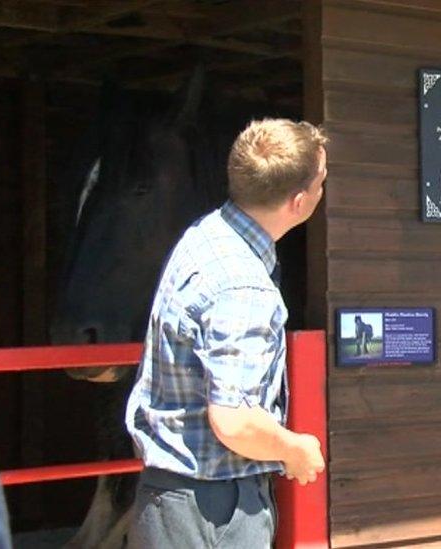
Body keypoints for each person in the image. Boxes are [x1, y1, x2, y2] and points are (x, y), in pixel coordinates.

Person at [124, 119, 329, 548]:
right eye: (320, 182)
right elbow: (234, 421)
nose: (321, 191)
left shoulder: (207, 235)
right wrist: (295, 448)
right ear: (298, 201)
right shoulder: (244, 285)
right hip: (213, 508)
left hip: (171, 497)